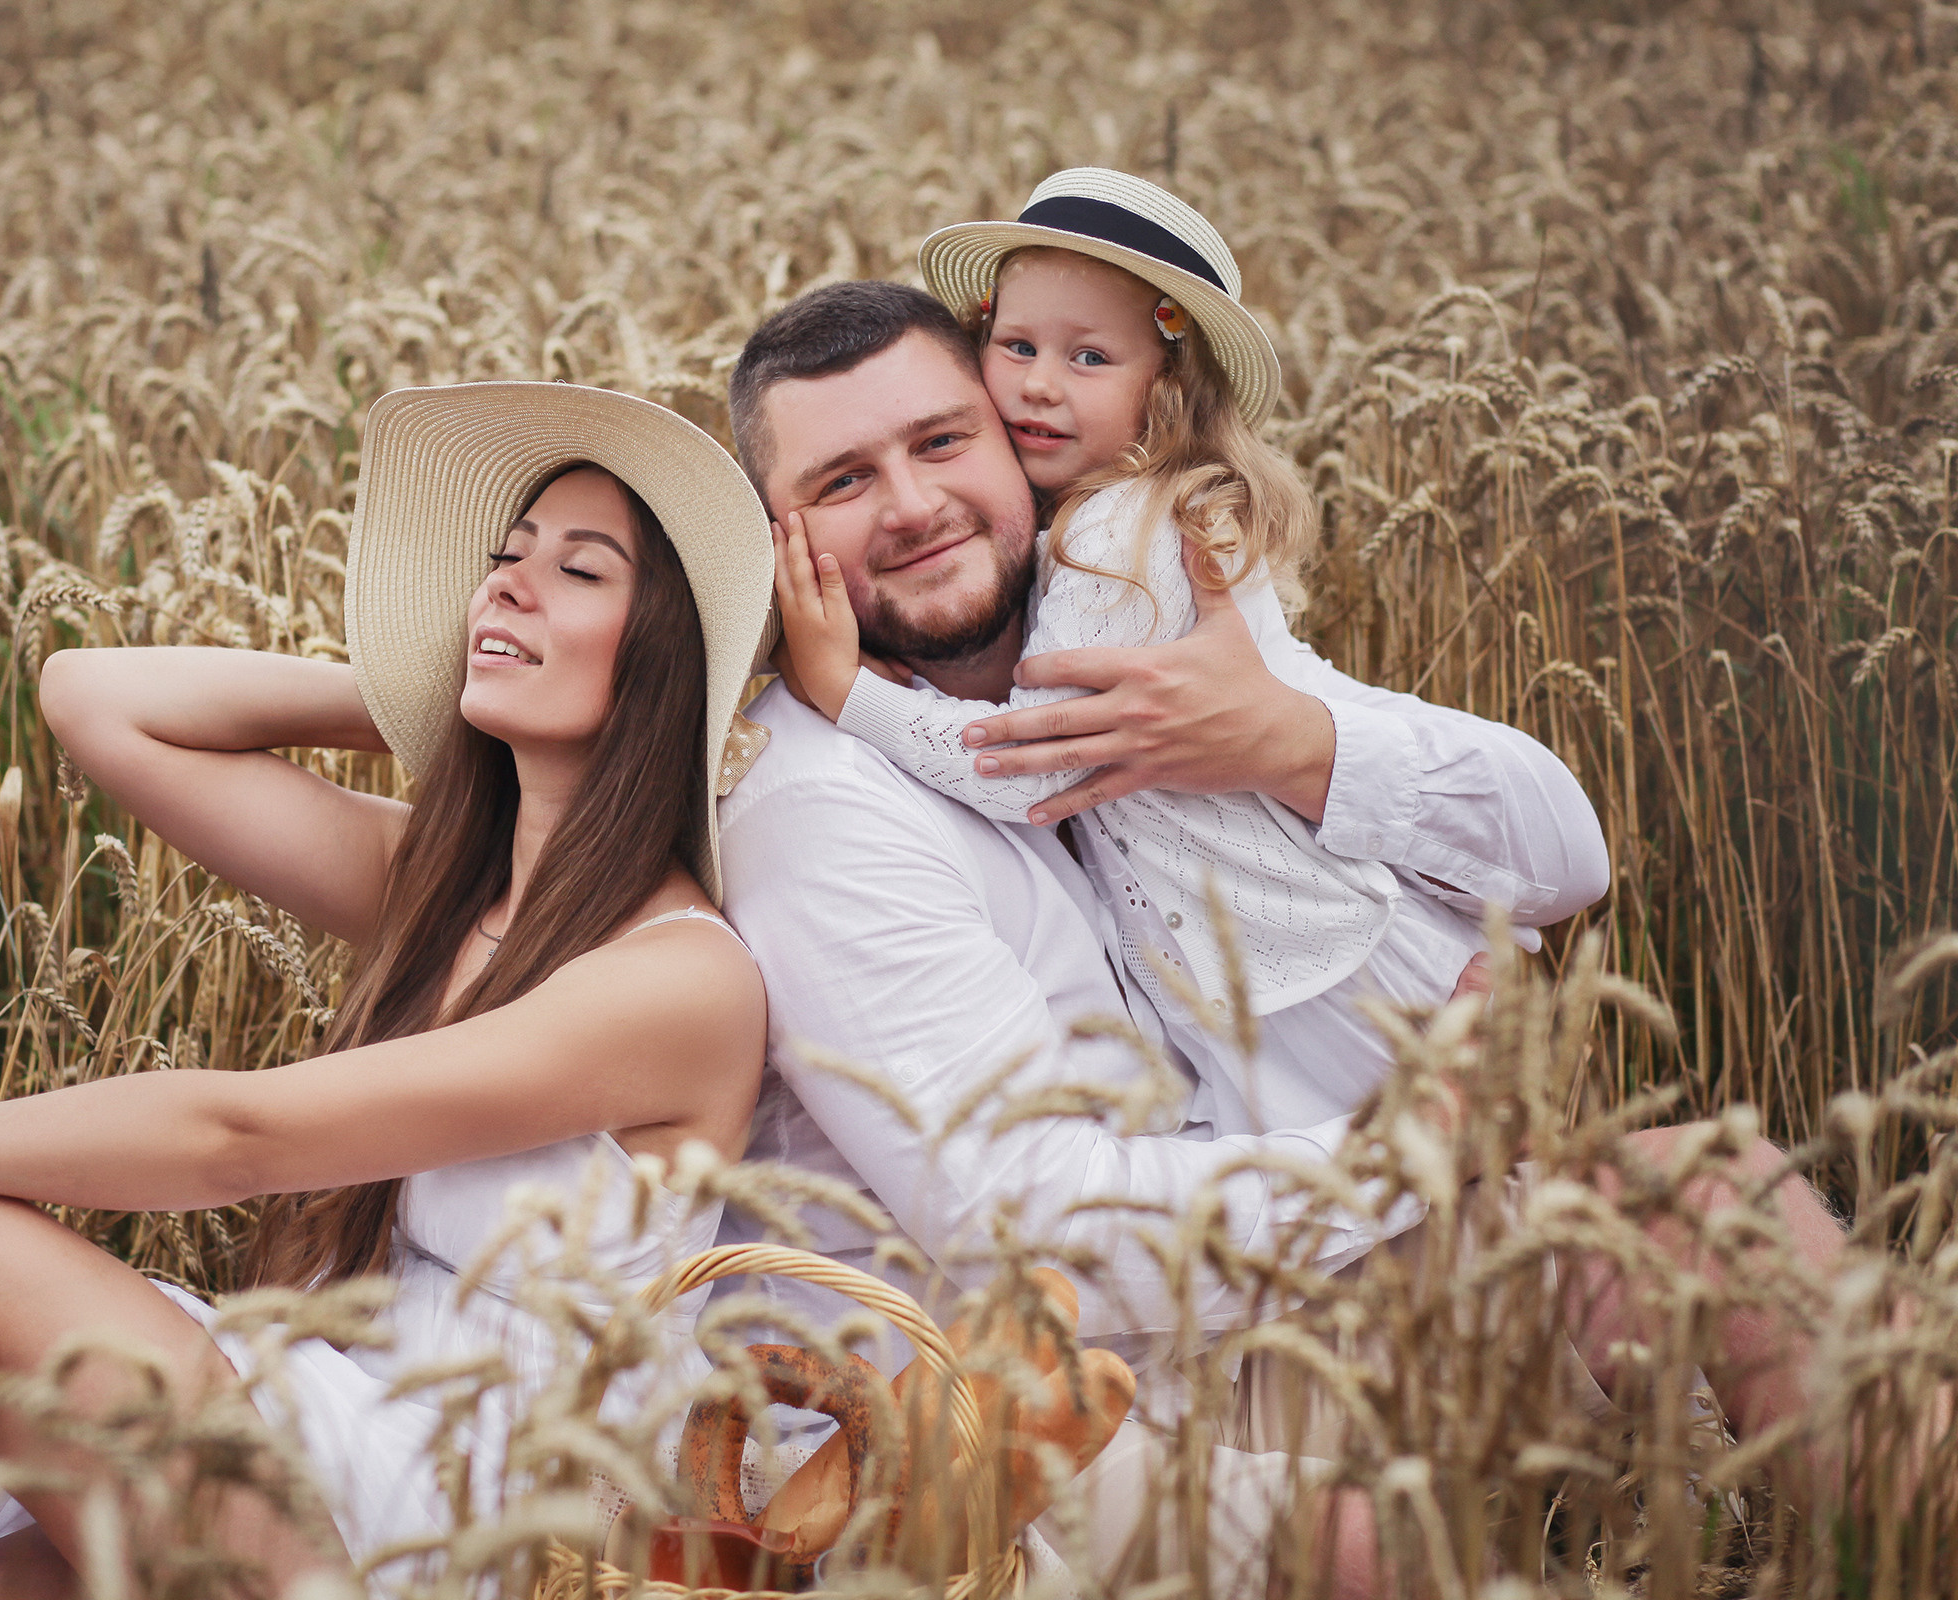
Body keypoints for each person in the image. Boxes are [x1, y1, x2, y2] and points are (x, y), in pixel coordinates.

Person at [716, 254, 1852, 1592]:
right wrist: (1406, 1150)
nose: (911, 506)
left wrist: (1289, 742)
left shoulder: (1133, 641)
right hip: (1081, 1407)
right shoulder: (832, 815)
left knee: (1714, 1204)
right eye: (841, 484)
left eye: (942, 441)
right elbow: (1027, 1228)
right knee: (1414, 1548)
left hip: (1263, 1304)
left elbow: (1563, 850)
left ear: (1020, 441)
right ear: (774, 542)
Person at [0, 382, 777, 1600]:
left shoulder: (679, 978)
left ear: (664, 660)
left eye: (581, 574)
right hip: (343, 1438)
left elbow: (240, 1140)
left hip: (474, 1528)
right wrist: (445, 684)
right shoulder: (443, 891)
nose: (508, 586)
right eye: (504, 560)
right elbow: (95, 701)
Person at [772, 168, 1477, 1134]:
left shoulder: (1119, 542)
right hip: (1261, 971)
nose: (1038, 385)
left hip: (1302, 972)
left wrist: (850, 695)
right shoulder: (1126, 524)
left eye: (1091, 358)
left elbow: (1037, 775)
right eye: (1015, 346)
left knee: (1435, 1211)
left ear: (1166, 390)